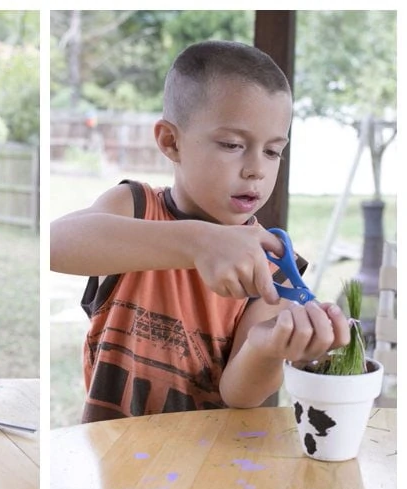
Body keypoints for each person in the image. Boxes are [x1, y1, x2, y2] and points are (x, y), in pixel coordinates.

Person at [50, 40, 351, 423]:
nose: (256, 168)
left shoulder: (271, 262)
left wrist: (267, 348)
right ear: (170, 142)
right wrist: (197, 242)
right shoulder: (135, 209)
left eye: (273, 151)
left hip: (207, 470)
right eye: (232, 144)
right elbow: (56, 244)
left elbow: (238, 395)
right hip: (113, 463)